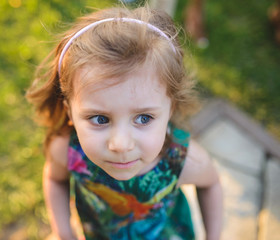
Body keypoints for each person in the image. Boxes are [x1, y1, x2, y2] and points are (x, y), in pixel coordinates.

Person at [26, 5, 222, 240]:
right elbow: (54, 179)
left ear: (171, 108)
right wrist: (63, 232)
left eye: (143, 118)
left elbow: (210, 185)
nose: (120, 144)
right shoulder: (66, 151)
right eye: (99, 119)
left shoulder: (182, 162)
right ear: (70, 112)